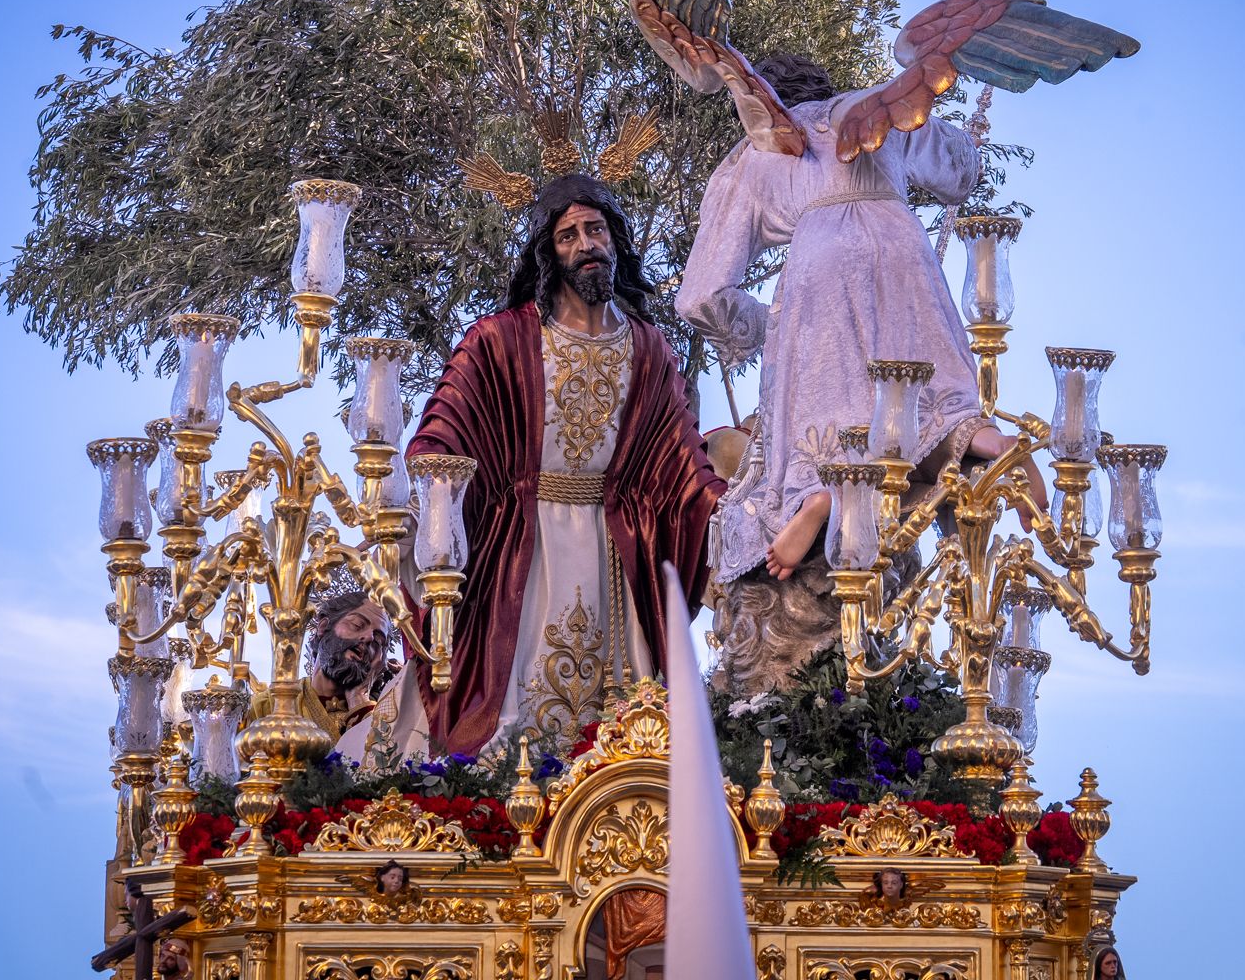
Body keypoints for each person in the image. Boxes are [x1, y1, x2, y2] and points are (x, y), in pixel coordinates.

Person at [369, 174, 725, 757]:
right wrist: (421, 498)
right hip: (522, 551)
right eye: (568, 235)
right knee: (511, 717)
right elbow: (445, 431)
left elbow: (682, 462)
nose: (586, 244)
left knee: (623, 726)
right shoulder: (499, 339)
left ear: (615, 240)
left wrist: (737, 520)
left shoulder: (649, 347)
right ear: (548, 252)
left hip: (613, 554)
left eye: (595, 230)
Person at [677, 55, 1035, 585]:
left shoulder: (757, 151)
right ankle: (988, 441)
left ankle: (818, 493)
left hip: (820, 267)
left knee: (830, 409)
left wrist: (771, 328)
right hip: (904, 249)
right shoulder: (874, 110)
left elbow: (699, 295)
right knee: (933, 397)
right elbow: (962, 169)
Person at [253, 589, 394, 744]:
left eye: (378, 641)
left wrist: (359, 697)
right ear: (323, 627)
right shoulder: (267, 707)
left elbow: (380, 756)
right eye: (357, 625)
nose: (369, 637)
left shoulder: (389, 716)